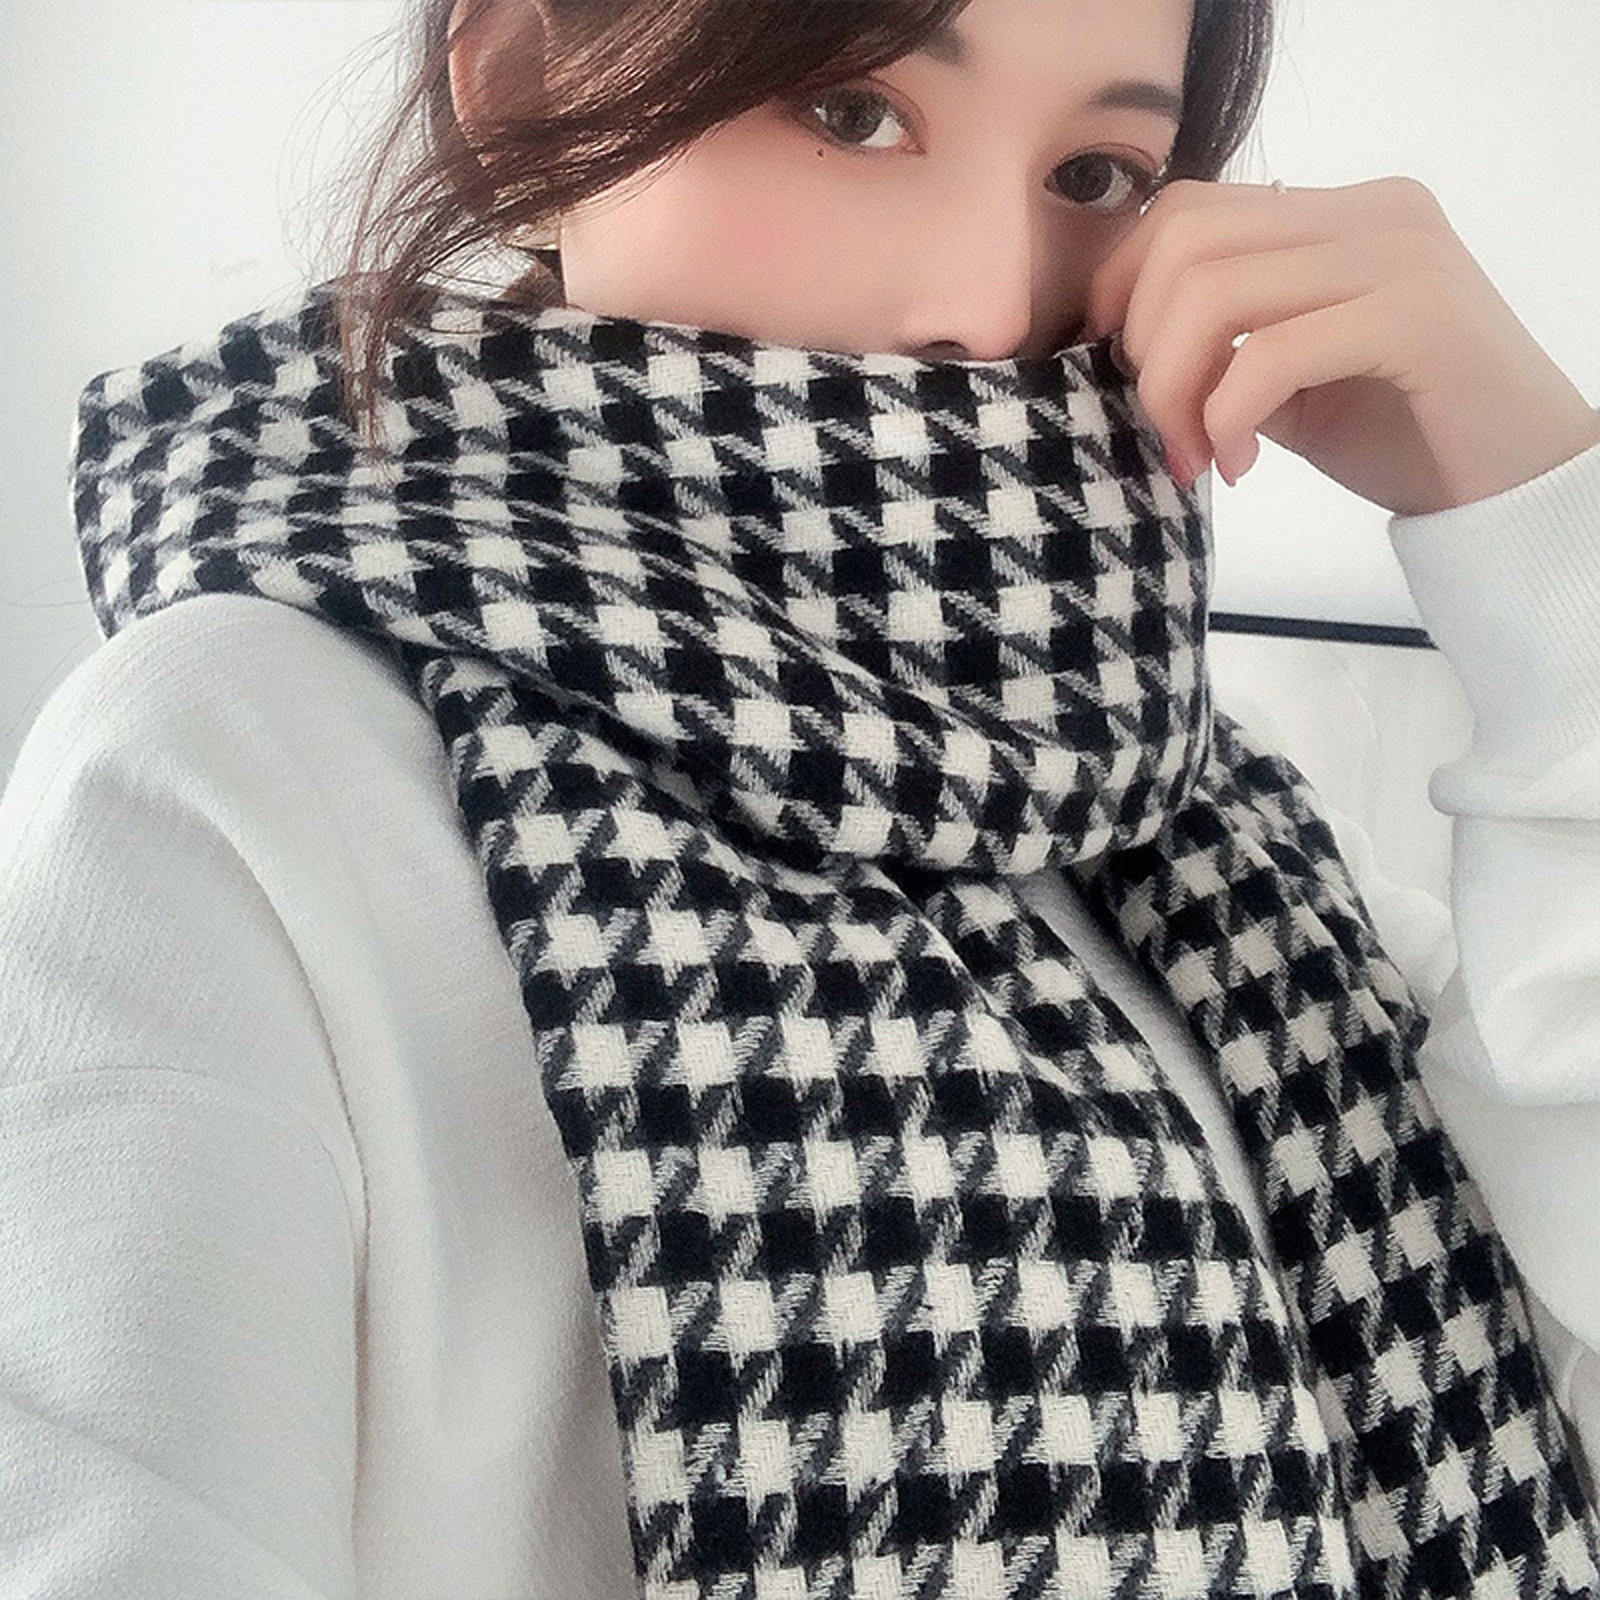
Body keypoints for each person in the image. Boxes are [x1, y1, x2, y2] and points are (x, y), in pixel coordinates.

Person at [3, 0, 1599, 1595]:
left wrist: (1542, 522)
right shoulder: (235, 770)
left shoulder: (1206, 825)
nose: (988, 304)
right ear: (524, 98)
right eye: (852, 113)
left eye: (1096, 175)